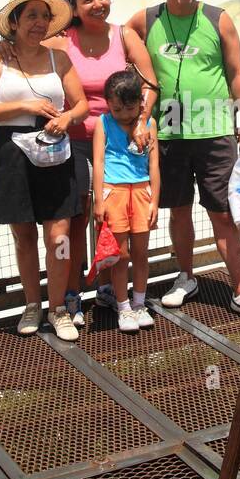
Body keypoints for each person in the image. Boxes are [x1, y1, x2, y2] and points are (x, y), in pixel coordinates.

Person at [125, 0, 240, 318]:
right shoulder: (146, 19)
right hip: (166, 135)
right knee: (178, 211)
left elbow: (236, 75)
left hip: (214, 132)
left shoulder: (218, 19)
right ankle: (186, 276)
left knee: (223, 214)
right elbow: (112, 42)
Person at [42, 0, 158, 327]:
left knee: (116, 217)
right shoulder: (63, 41)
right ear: (74, 8)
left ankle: (111, 289)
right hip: (76, 140)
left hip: (122, 141)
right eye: (88, 0)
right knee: (78, 218)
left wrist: (141, 121)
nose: (98, 4)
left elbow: (151, 83)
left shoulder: (125, 35)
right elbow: (35, 60)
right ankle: (73, 293)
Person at [0, 0, 89, 341]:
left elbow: (81, 104)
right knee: (24, 237)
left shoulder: (60, 59)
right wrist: (27, 105)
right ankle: (32, 305)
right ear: (15, 23)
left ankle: (58, 309)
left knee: (60, 236)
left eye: (44, 16)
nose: (39, 22)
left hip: (55, 147)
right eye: (31, 16)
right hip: (11, 150)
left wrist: (66, 117)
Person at [92, 69, 159, 333]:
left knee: (141, 253)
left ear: (140, 104)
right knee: (120, 255)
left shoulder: (150, 124)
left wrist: (155, 199)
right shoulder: (103, 123)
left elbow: (154, 166)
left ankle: (140, 303)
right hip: (113, 192)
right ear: (108, 103)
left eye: (129, 109)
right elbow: (98, 162)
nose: (123, 115)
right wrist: (99, 200)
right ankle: (123, 307)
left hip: (142, 191)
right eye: (117, 109)